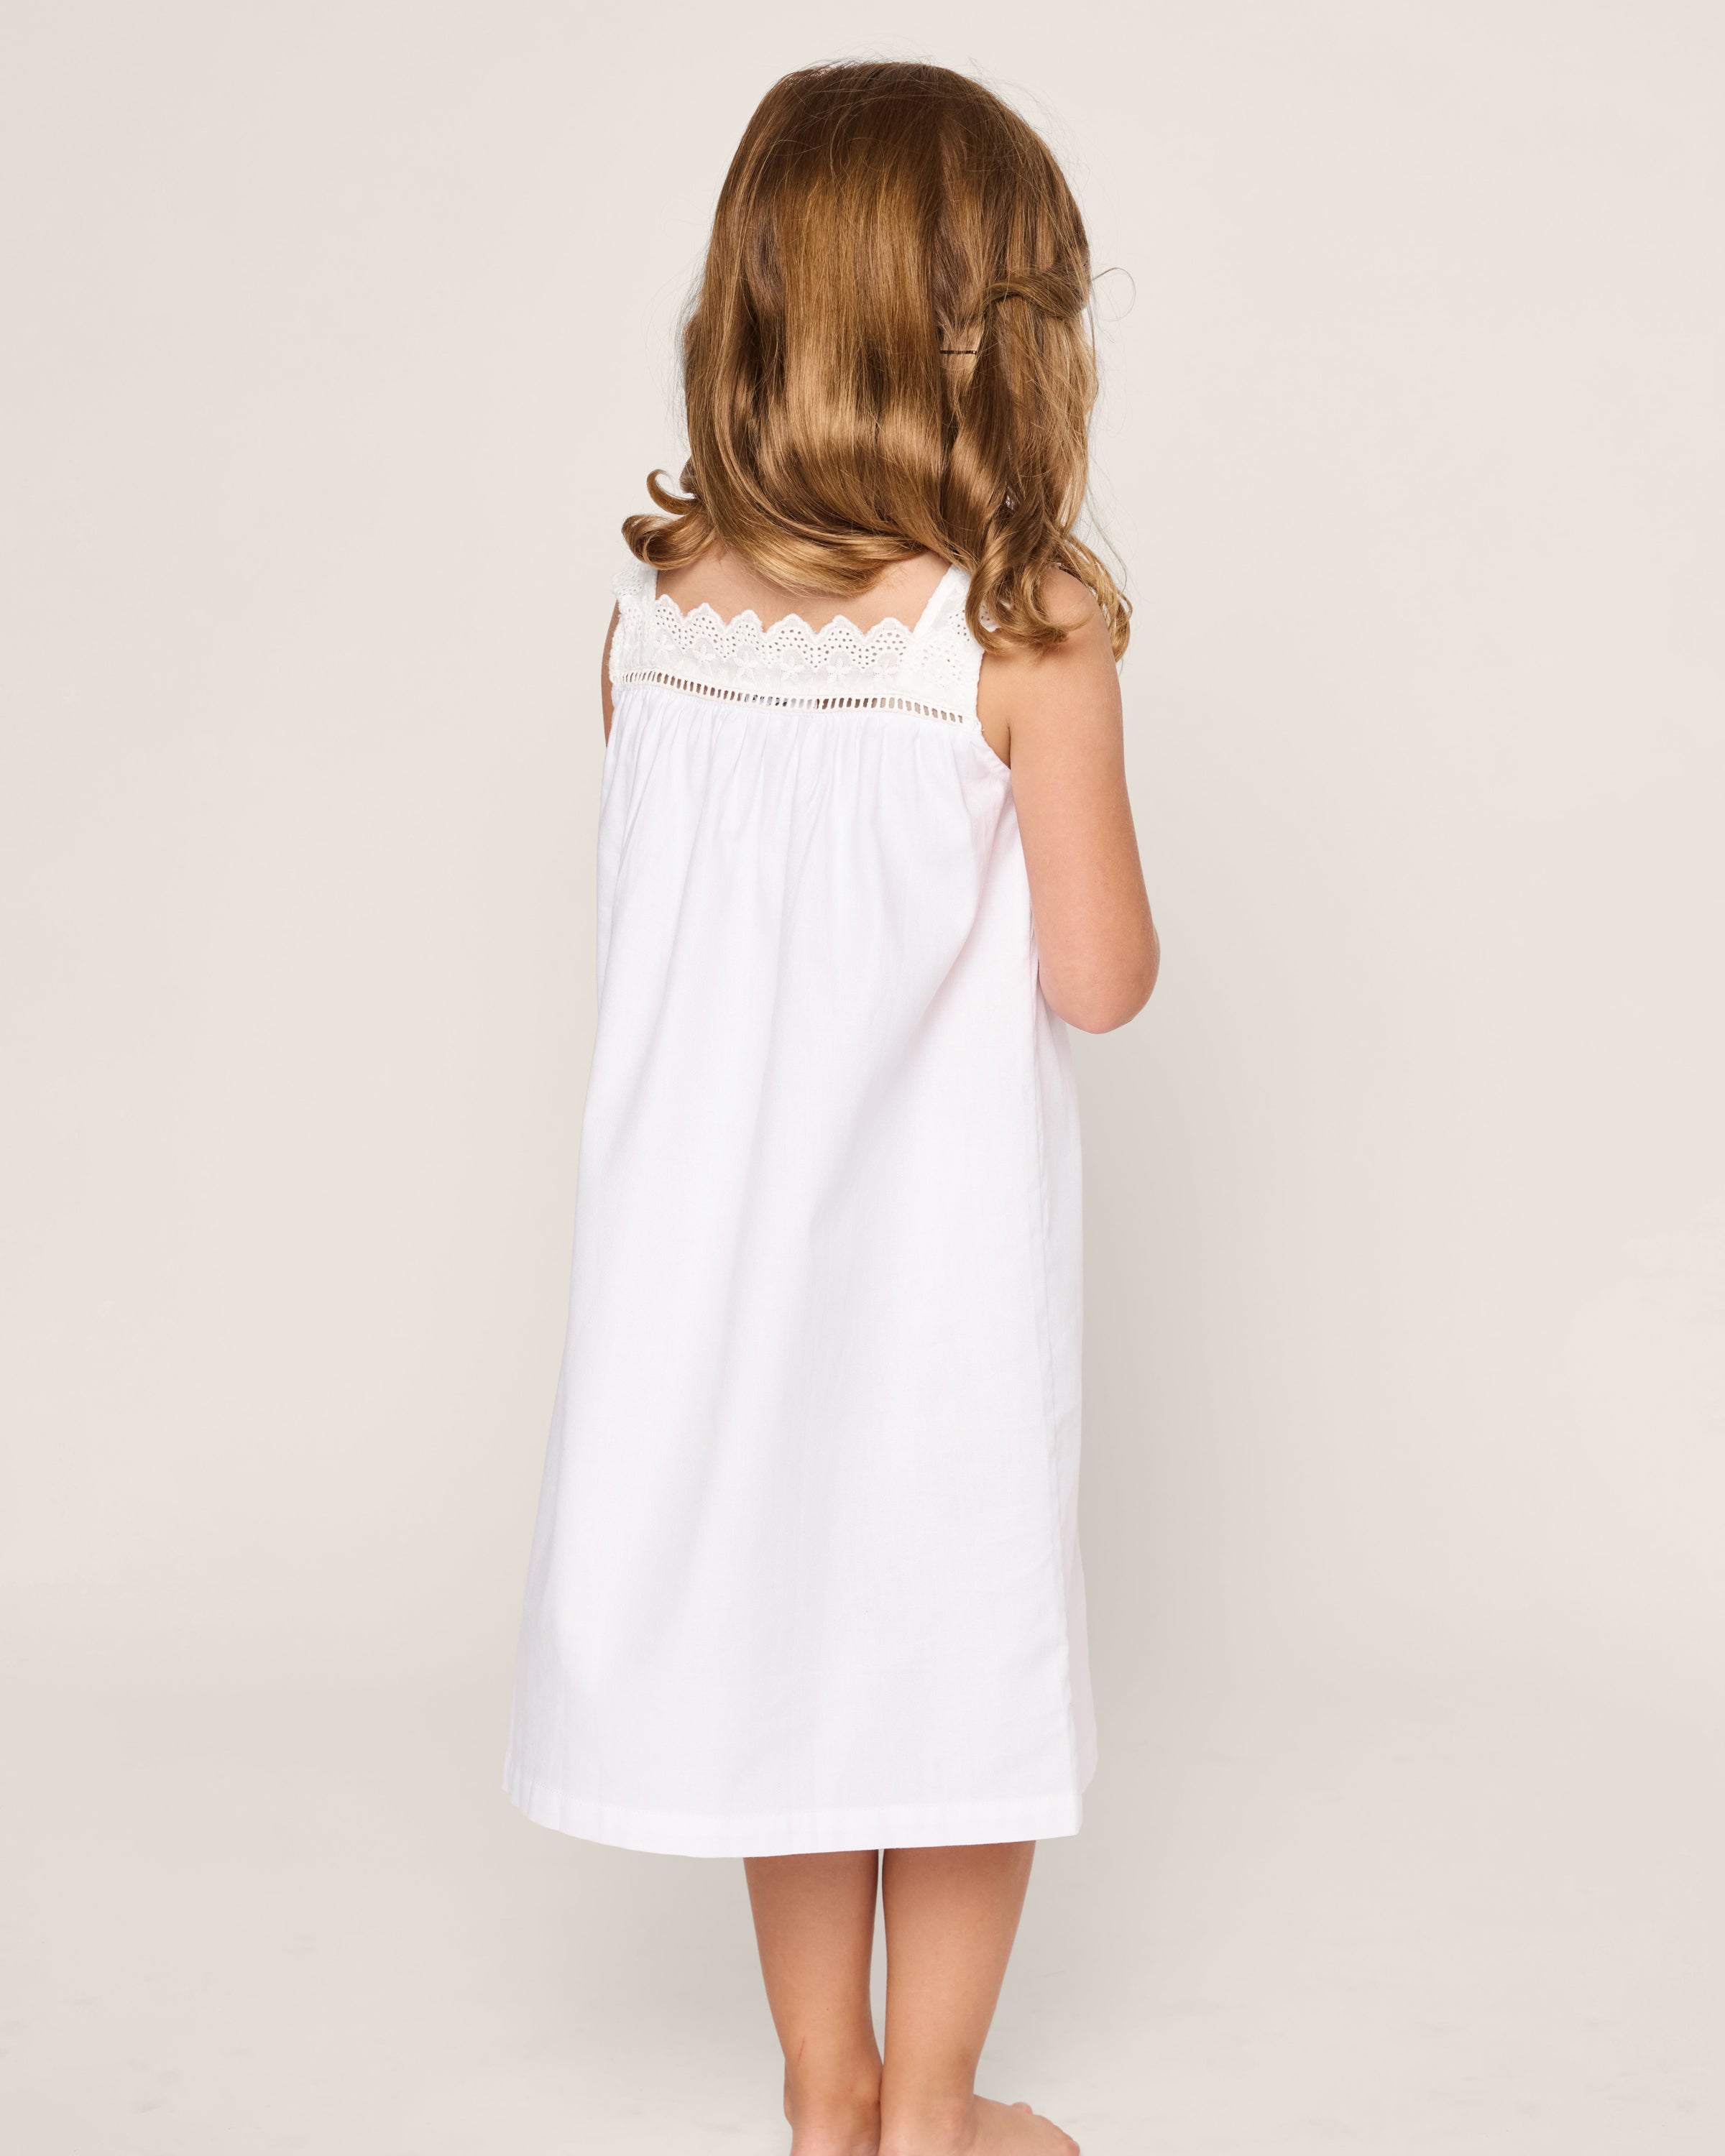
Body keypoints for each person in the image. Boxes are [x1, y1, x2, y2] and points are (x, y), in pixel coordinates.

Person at [505, 60, 1159, 2156]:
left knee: (782, 1656)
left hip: (704, 1280)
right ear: (999, 340)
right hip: (929, 1289)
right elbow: (1100, 977)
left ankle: (827, 2096)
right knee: (949, 1676)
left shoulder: (655, 624)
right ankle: (938, 2114)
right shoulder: (1023, 638)